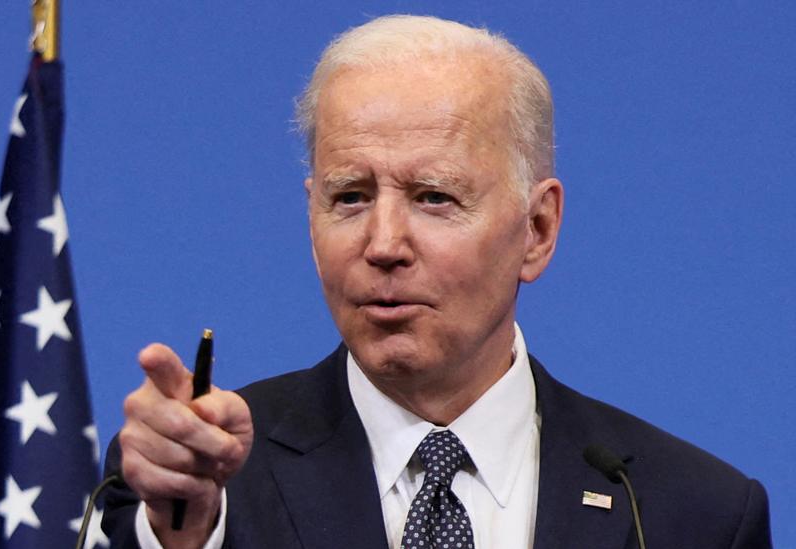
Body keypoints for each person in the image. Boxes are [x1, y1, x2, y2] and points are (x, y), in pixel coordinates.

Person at [101, 15, 772, 549]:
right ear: (310, 219)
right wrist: (181, 536)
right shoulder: (201, 485)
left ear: (536, 229)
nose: (384, 244)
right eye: (351, 197)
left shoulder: (689, 512)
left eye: (433, 197)